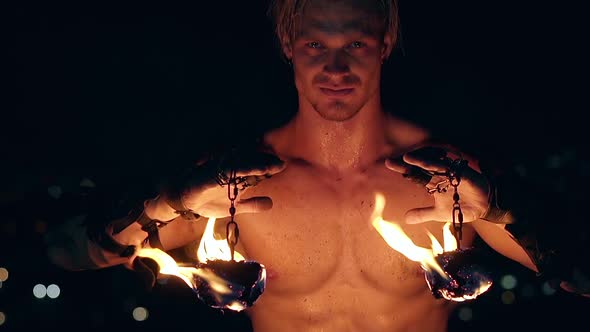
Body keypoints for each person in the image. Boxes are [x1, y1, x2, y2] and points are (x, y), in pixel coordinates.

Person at [44, 0, 589, 331]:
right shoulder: (233, 183)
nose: (336, 66)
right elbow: (65, 252)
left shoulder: (446, 177)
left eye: (354, 41)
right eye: (314, 43)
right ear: (287, 42)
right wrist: (167, 203)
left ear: (386, 41)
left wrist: (503, 210)